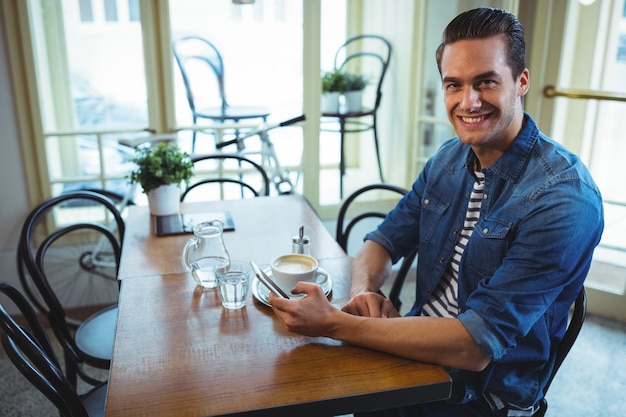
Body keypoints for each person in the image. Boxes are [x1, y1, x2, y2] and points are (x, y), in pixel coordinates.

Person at [269, 7, 604, 417]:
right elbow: (380, 242)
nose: (469, 102)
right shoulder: (449, 158)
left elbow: (475, 346)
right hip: (414, 351)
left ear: (521, 82)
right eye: (454, 85)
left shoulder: (564, 199)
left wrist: (338, 324)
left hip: (481, 396)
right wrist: (363, 294)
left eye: (486, 82)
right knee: (289, 382)